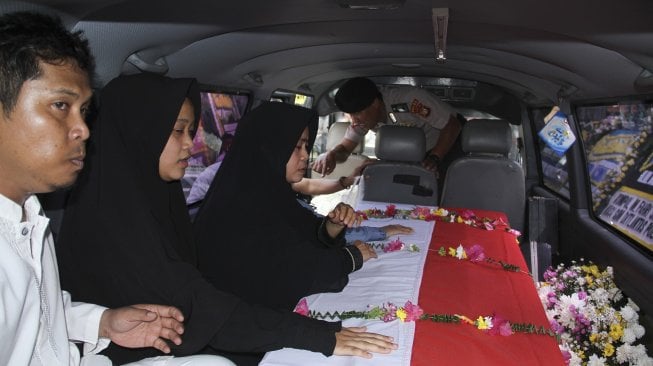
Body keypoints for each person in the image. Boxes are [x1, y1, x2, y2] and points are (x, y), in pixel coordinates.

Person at [56, 73, 396, 366]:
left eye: (192, 131)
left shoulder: (155, 200)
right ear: (141, 131)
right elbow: (206, 304)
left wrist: (333, 233)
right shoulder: (115, 220)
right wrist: (321, 335)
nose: (191, 145)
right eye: (178, 131)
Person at [0, 11, 197, 366]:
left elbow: (38, 313)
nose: (83, 129)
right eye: (61, 106)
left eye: (84, 110)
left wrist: (102, 322)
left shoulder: (29, 214)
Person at [194, 102, 378, 312]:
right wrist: (350, 258)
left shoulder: (273, 195)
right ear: (270, 147)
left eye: (306, 146)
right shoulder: (238, 208)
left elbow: (305, 237)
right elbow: (293, 272)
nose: (304, 156)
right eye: (296, 146)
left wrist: (332, 226)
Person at [313, 77, 464, 178]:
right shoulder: (363, 119)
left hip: (448, 142)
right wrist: (331, 155)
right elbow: (345, 150)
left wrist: (435, 158)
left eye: (357, 113)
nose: (354, 120)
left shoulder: (410, 100)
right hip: (417, 155)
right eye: (350, 114)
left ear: (375, 104)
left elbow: (453, 125)